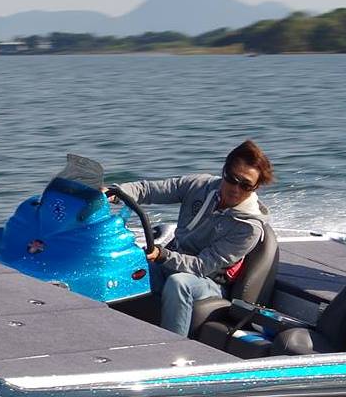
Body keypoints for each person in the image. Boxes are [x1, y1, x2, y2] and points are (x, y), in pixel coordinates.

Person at [113, 140, 275, 336]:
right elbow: (150, 190)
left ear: (256, 187)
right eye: (232, 179)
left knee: (179, 283)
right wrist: (116, 193)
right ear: (224, 171)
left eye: (246, 185)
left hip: (207, 281)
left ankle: (172, 346)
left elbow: (202, 266)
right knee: (124, 265)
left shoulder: (248, 228)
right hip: (171, 261)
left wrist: (163, 256)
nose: (236, 188)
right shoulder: (199, 185)